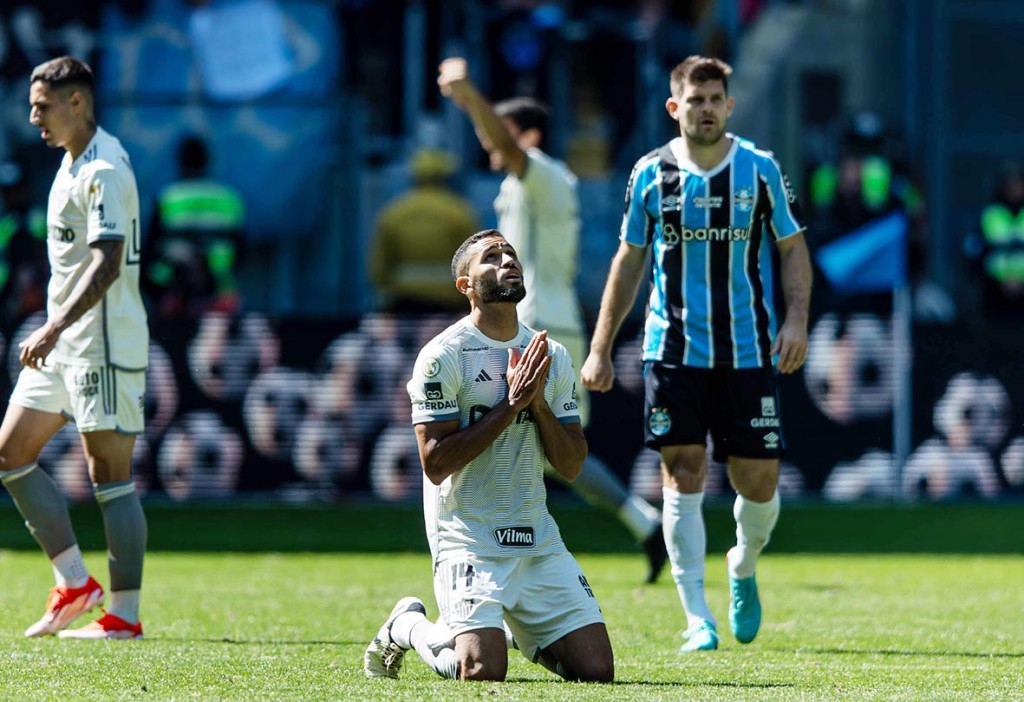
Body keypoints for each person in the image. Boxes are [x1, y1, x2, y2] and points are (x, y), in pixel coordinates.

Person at [581, 55, 812, 653]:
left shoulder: (759, 169)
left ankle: (743, 564)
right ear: (674, 107)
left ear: (729, 106)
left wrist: (796, 319)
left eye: (716, 98)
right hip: (672, 350)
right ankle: (696, 618)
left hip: (746, 350)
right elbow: (628, 261)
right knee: (682, 474)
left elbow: (792, 247)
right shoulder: (649, 175)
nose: (707, 108)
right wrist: (601, 347)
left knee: (758, 484)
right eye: (696, 98)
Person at [437, 56, 667, 584]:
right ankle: (639, 524)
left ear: (530, 134)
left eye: (503, 131)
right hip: (536, 322)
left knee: (545, 441)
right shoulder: (524, 183)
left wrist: (471, 95)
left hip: (539, 326)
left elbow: (511, 150)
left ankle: (629, 527)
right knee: (538, 444)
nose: (490, 143)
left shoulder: (541, 173)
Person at [363, 229, 614, 683]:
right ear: (466, 285)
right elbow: (435, 463)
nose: (507, 263)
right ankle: (408, 627)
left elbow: (573, 464)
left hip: (536, 538)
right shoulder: (443, 356)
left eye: (510, 255)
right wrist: (511, 404)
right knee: (480, 671)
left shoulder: (550, 355)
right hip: (468, 536)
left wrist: (536, 404)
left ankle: (508, 624)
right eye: (491, 258)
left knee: (596, 671)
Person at [0, 56, 148, 639]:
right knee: (10, 452)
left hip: (101, 342)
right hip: (65, 337)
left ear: (77, 102)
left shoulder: (104, 167)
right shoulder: (70, 162)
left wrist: (52, 326)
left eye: (42, 105)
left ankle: (124, 616)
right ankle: (75, 584)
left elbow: (108, 262)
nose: (33, 115)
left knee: (109, 473)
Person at [141, 134, 245, 320]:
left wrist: (157, 293)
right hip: (220, 295)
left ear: (180, 162)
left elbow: (149, 250)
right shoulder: (228, 198)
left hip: (173, 293)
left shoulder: (169, 196)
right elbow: (241, 251)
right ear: (207, 161)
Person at [368, 147, 481, 314]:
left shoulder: (394, 212)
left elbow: (380, 264)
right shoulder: (460, 212)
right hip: (448, 301)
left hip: (403, 298)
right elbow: (473, 260)